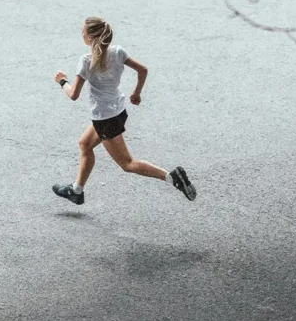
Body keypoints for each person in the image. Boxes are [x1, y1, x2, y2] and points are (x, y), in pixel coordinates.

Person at [52, 17, 196, 205]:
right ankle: (77, 191)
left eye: (83, 32)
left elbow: (73, 94)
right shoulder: (118, 52)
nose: (82, 35)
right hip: (118, 111)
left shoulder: (86, 61)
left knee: (127, 164)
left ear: (92, 36)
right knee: (85, 144)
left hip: (105, 119)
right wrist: (136, 93)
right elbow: (143, 70)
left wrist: (62, 81)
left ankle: (171, 177)